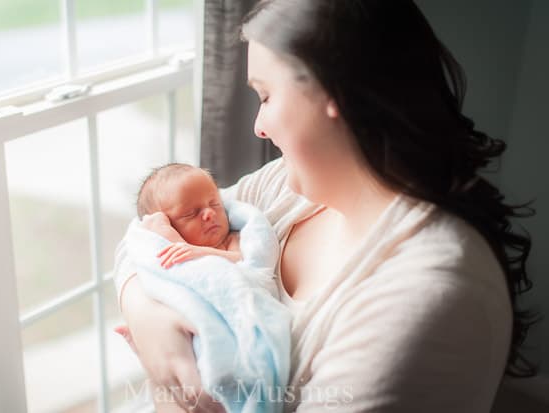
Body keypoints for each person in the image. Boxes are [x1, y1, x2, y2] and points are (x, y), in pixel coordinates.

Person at [116, 1, 538, 411]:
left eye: (265, 96)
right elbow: (145, 232)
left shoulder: (421, 296)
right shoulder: (285, 183)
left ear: (331, 92)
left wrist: (169, 388)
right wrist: (150, 322)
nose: (258, 127)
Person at [114, 162, 291, 412]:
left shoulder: (232, 239)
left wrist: (198, 253)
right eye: (190, 214)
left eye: (215, 204)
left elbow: (246, 262)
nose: (208, 214)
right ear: (167, 225)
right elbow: (151, 271)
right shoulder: (171, 255)